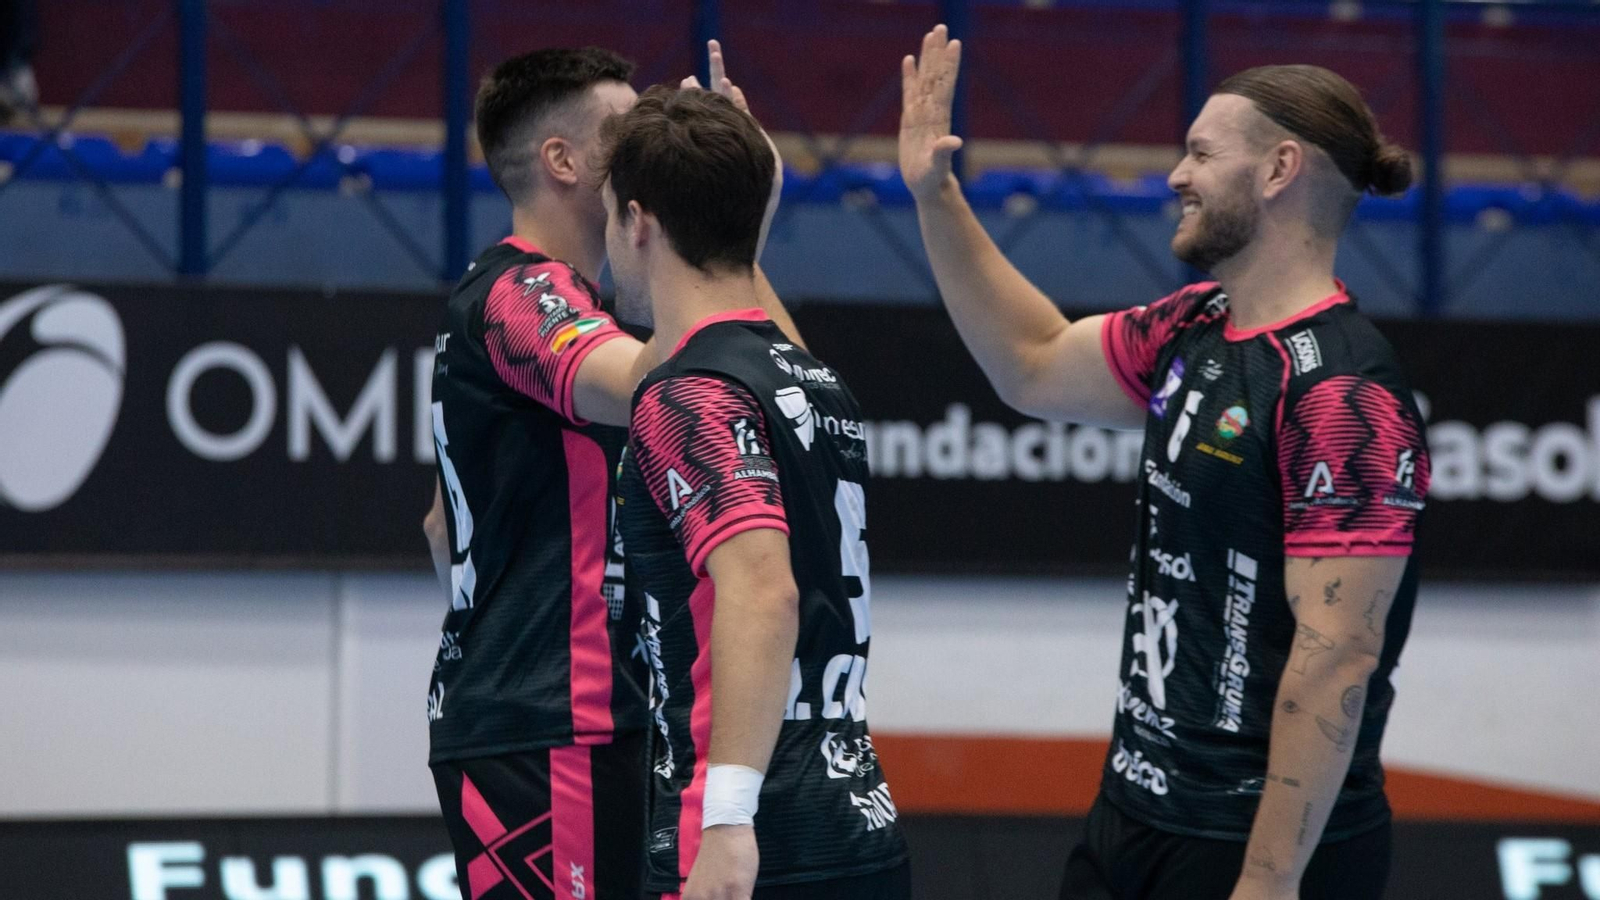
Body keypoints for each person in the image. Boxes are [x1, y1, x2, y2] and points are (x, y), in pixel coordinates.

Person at [900, 27, 1431, 900]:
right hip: (1135, 811)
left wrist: (1268, 881)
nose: (1177, 176)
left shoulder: (1342, 393)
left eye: (1201, 153)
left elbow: (1338, 657)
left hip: (1255, 847)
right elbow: (1033, 360)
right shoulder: (1195, 325)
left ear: (1279, 170)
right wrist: (936, 196)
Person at [421, 44, 795, 900]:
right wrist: (728, 209)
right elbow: (654, 381)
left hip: (565, 715)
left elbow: (441, 525)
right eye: (625, 132)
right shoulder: (523, 292)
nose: (647, 146)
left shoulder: (574, 301)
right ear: (564, 161)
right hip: (553, 722)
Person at [602, 85, 911, 900]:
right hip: (855, 820)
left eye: (608, 220)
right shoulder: (813, 381)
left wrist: (728, 821)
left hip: (752, 837)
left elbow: (763, 590)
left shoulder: (686, 395)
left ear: (638, 221)